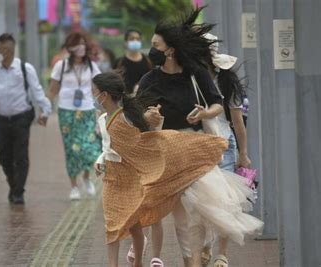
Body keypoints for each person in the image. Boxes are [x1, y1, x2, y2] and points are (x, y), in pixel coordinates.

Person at [92, 72, 263, 267]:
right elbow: (108, 146)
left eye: (94, 92)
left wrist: (153, 121)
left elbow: (151, 140)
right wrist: (101, 160)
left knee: (136, 227)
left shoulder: (128, 117)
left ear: (104, 95)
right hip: (112, 179)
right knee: (112, 226)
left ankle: (141, 262)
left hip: (133, 178)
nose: (93, 96)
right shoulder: (104, 119)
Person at [136, 7, 227, 267]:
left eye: (156, 45)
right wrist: (148, 116)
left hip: (197, 150)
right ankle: (192, 262)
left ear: (171, 50)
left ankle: (206, 249)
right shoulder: (149, 79)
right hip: (168, 153)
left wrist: (204, 113)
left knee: (206, 209)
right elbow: (138, 114)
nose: (151, 49)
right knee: (182, 218)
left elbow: (217, 103)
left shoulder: (195, 73)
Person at [0, 33, 52, 205]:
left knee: (21, 156)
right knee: (4, 159)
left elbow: (37, 92)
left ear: (7, 51)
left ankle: (18, 192)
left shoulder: (25, 69)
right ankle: (13, 184)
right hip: (2, 120)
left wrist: (45, 111)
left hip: (21, 118)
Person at [197, 33, 253, 267]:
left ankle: (222, 254)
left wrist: (243, 153)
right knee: (200, 201)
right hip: (198, 147)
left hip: (225, 146)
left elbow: (238, 122)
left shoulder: (227, 83)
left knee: (225, 202)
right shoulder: (190, 81)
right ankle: (206, 242)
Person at [46, 32, 102, 200]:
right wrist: (44, 110)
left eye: (83, 44)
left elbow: (98, 90)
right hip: (66, 112)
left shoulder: (91, 66)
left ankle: (86, 177)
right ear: (70, 48)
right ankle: (74, 187)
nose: (81, 48)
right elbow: (53, 90)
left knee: (89, 147)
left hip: (87, 111)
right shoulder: (61, 66)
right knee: (71, 150)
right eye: (77, 44)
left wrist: (103, 110)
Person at [113, 28, 153, 96]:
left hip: (145, 98)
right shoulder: (119, 62)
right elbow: (114, 82)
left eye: (138, 39)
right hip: (125, 100)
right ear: (125, 42)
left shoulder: (149, 61)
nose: (135, 41)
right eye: (132, 39)